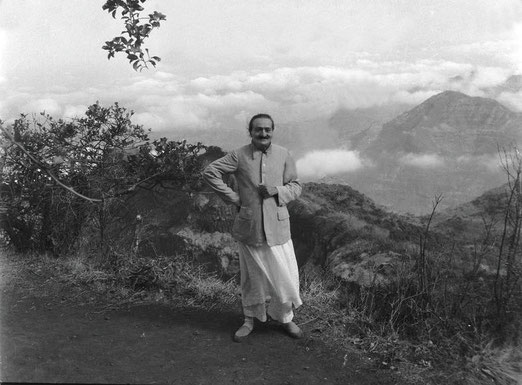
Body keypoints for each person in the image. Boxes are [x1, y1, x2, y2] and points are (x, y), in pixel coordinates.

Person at [203, 113, 303, 342]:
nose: (263, 133)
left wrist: (277, 190)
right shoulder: (239, 155)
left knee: (284, 276)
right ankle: (249, 320)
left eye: (267, 129)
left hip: (279, 228)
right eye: (258, 129)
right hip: (251, 228)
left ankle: (286, 318)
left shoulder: (284, 154)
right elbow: (210, 172)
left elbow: (296, 186)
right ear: (251, 132)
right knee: (252, 279)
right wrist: (234, 198)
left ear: (272, 130)